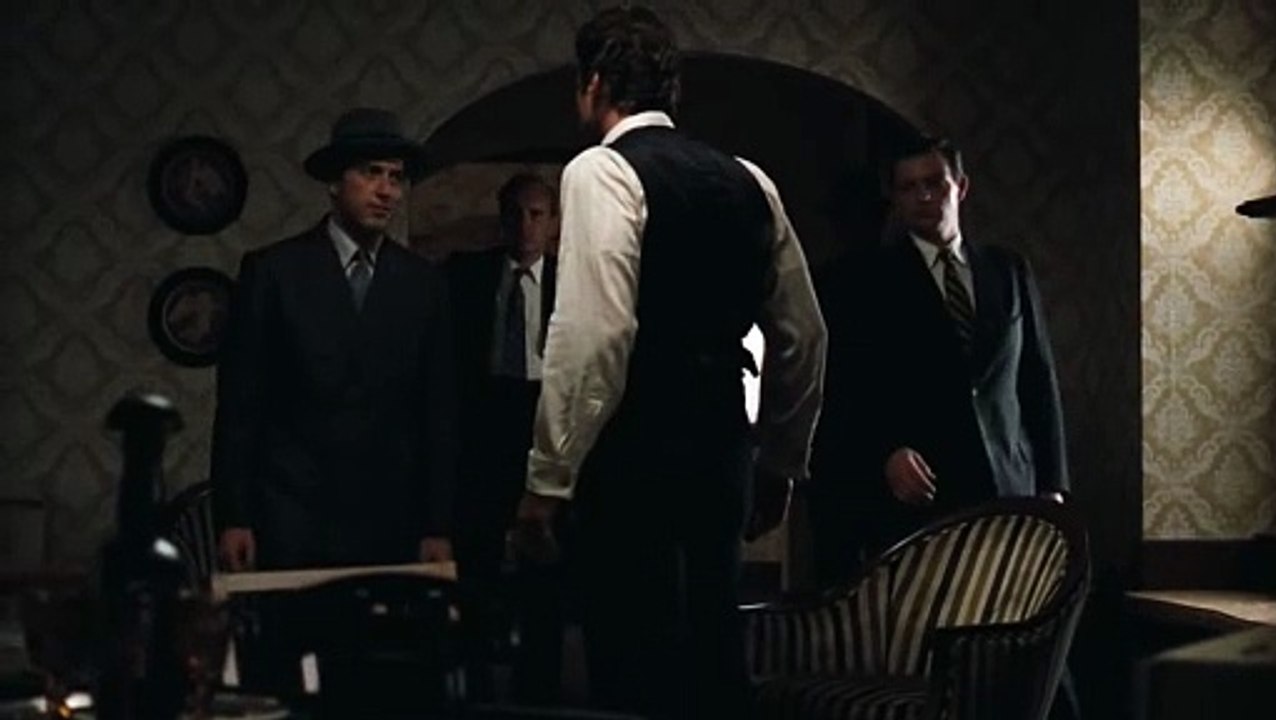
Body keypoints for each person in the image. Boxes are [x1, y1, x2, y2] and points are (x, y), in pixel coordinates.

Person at [511, 6, 827, 718]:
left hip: (632, 455)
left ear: (594, 84)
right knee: (713, 655)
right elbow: (804, 336)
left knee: (634, 664)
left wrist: (548, 479)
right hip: (722, 452)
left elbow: (596, 336)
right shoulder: (750, 179)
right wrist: (780, 461)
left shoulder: (601, 171)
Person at [810, 134, 1078, 719]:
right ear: (894, 199)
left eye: (934, 183)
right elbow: (844, 394)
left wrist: (1052, 485)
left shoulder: (1007, 270)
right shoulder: (862, 280)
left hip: (1011, 491)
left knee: (1023, 654)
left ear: (961, 186)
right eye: (908, 188)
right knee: (935, 656)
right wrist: (883, 455)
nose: (923, 197)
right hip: (925, 498)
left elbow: (1038, 381)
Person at [211, 107, 457, 573]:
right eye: (371, 173)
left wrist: (437, 525)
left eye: (396, 178)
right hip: (291, 516)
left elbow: (437, 413)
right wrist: (234, 517)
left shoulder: (424, 283)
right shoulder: (274, 272)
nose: (386, 191)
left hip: (391, 520)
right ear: (333, 182)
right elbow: (241, 405)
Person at [448, 172, 562, 703]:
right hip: (485, 421)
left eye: (537, 214)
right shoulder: (468, 275)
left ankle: (540, 687)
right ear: (501, 219)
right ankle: (474, 687)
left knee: (546, 563)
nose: (526, 226)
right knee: (477, 559)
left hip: (545, 423)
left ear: (553, 222)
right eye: (516, 214)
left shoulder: (571, 281)